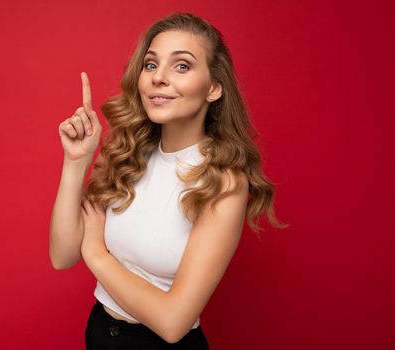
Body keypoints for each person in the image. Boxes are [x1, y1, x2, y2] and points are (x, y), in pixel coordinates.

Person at [49, 12, 288, 349]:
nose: (158, 78)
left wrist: (97, 254)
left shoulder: (223, 181)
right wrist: (76, 161)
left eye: (182, 66)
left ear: (214, 88)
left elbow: (173, 323)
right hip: (101, 332)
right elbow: (62, 256)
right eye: (150, 65)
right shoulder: (125, 152)